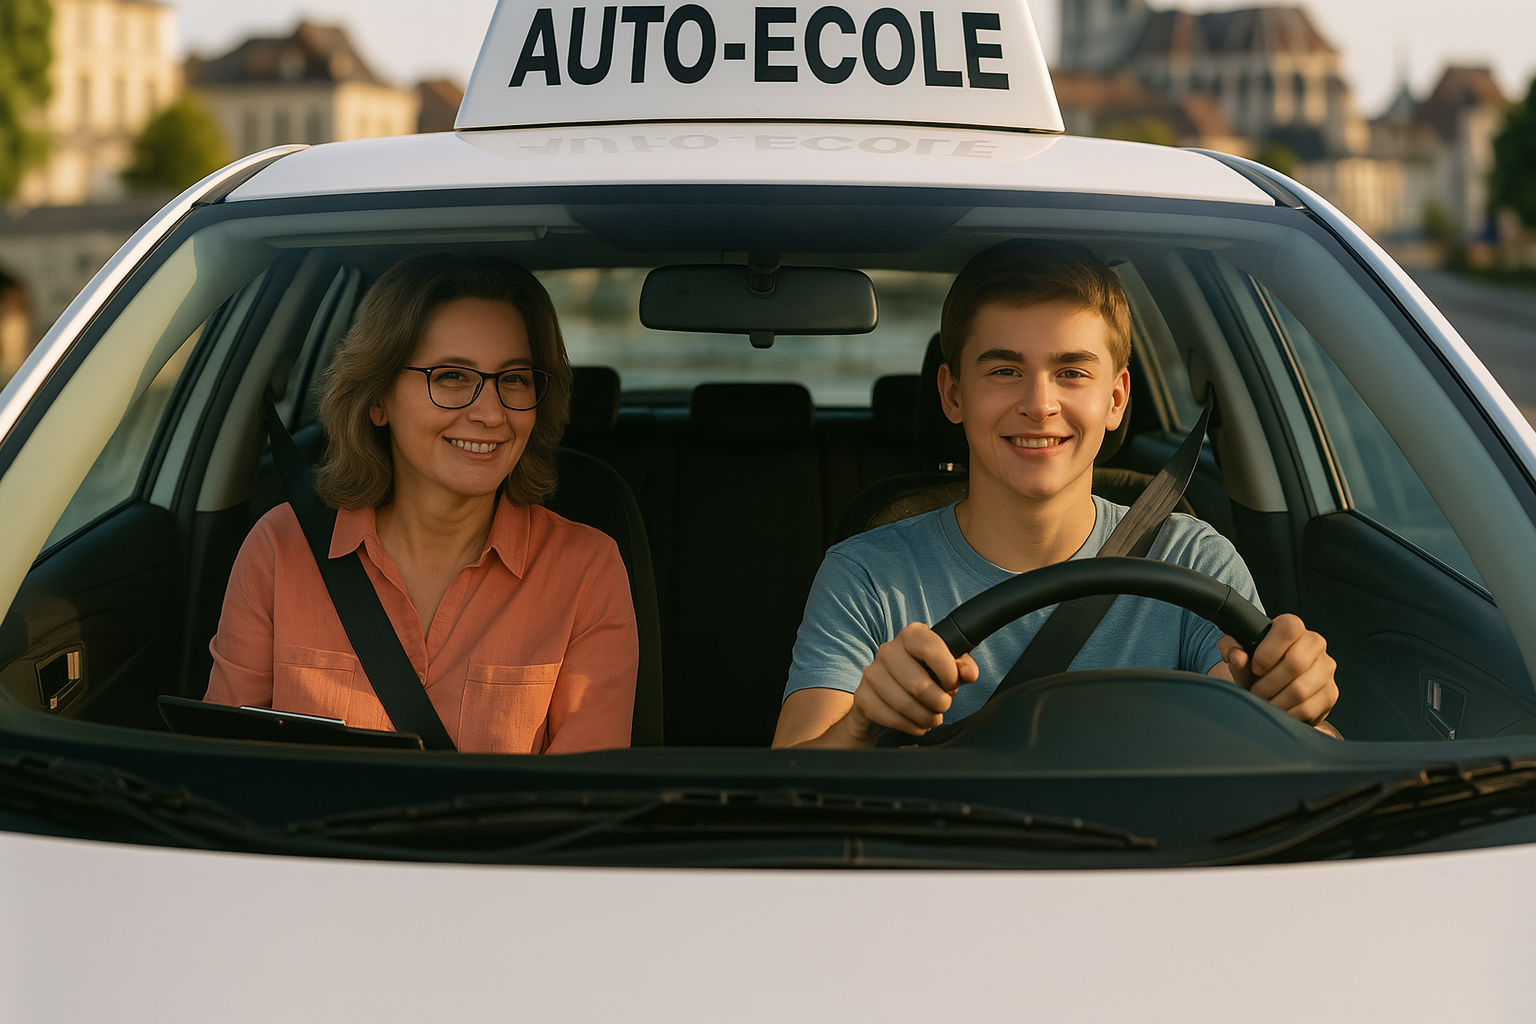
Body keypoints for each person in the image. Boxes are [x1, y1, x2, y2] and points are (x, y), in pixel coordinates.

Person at [773, 239, 1339, 749]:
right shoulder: (869, 575)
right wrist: (862, 725)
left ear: (1116, 399)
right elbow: (786, 794)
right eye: (1003, 371)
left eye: (1071, 372)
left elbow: (1288, 747)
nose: (1039, 403)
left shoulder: (1193, 563)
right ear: (952, 394)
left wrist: (1296, 705)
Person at [206, 251, 639, 754]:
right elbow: (226, 765)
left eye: (514, 379)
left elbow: (580, 805)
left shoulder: (586, 570)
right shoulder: (280, 549)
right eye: (452, 376)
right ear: (377, 398)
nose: (491, 412)